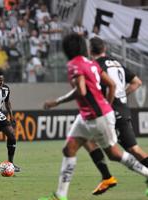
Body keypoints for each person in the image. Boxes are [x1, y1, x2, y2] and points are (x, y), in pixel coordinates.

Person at [39, 33, 148, 200]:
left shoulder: (75, 65)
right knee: (69, 149)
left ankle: (138, 174)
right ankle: (61, 195)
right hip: (90, 115)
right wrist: (108, 104)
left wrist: (57, 101)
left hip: (98, 116)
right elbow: (111, 84)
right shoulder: (92, 64)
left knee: (116, 154)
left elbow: (81, 90)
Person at [86, 37, 148, 195]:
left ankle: (107, 177)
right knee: (134, 149)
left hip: (109, 111)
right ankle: (107, 177)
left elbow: (100, 88)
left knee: (88, 140)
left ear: (90, 50)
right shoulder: (117, 63)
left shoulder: (95, 66)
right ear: (104, 49)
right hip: (123, 109)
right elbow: (137, 82)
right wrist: (122, 95)